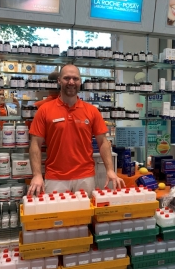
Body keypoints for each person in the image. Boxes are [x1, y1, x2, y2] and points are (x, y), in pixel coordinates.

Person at [27, 64, 125, 196]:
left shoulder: (92, 111)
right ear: (59, 81)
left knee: (85, 215)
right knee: (57, 215)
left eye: (75, 78)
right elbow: (35, 144)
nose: (71, 82)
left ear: (80, 82)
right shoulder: (44, 110)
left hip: (85, 176)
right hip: (55, 177)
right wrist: (37, 175)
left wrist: (110, 170)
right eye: (67, 78)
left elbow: (103, 142)